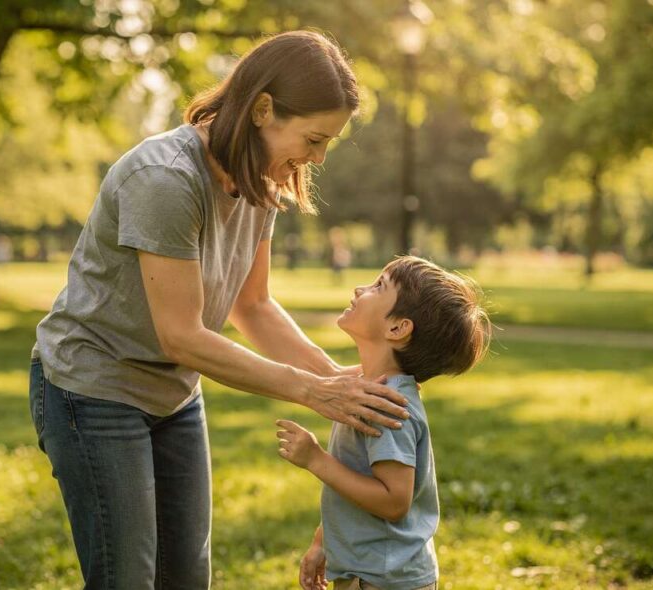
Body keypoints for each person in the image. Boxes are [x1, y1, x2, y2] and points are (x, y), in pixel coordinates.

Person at [28, 31, 411, 589]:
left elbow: (252, 305)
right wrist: (310, 391)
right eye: (313, 137)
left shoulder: (260, 182)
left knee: (187, 578)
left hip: (174, 395)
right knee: (127, 580)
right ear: (262, 110)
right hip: (92, 387)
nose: (319, 157)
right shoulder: (165, 179)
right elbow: (181, 336)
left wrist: (335, 378)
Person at [277, 256, 492, 590]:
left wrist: (316, 460)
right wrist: (324, 542)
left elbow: (393, 502)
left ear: (398, 328)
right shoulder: (365, 392)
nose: (359, 289)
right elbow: (357, 483)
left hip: (387, 579)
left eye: (379, 286)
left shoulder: (387, 406)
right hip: (367, 570)